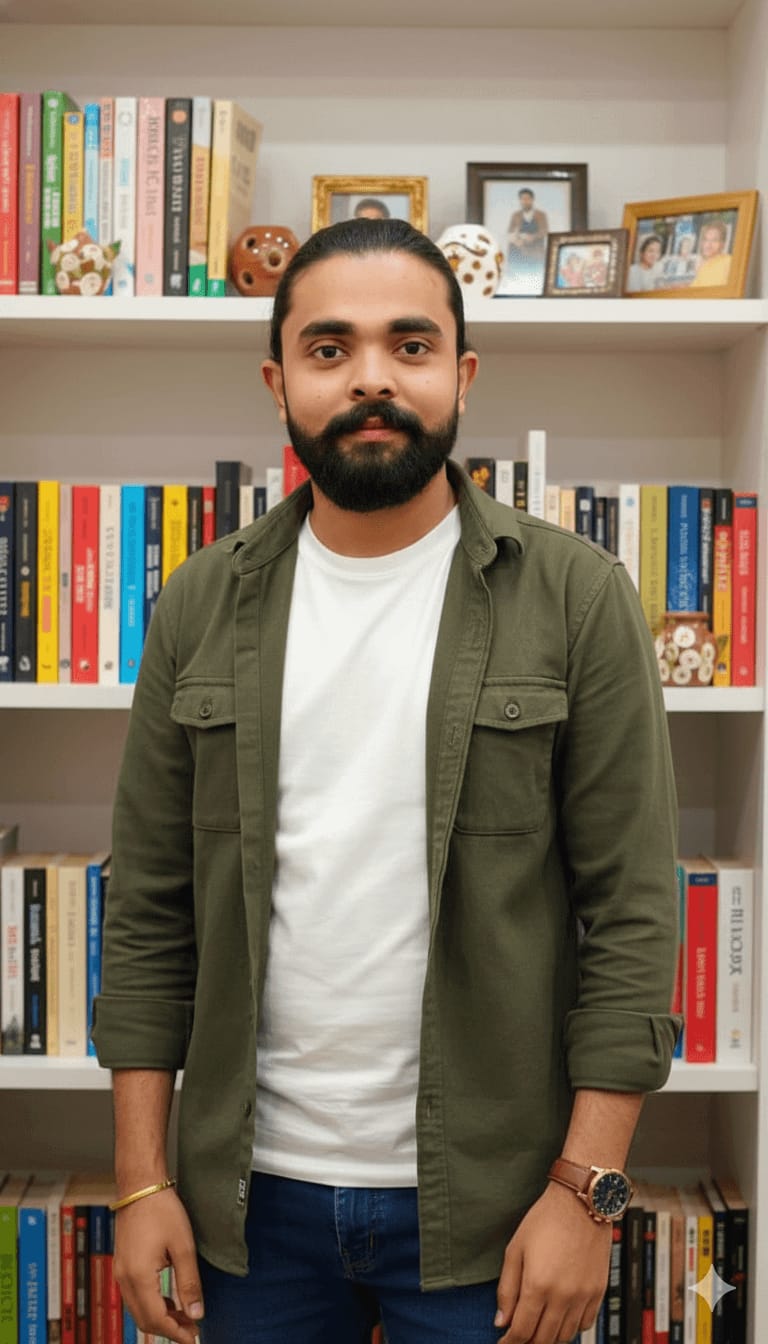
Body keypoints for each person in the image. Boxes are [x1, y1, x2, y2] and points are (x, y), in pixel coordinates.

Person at [92, 217, 681, 1344]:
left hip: (500, 1211)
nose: (371, 378)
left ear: (461, 374)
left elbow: (635, 914)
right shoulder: (199, 602)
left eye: (409, 346)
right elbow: (151, 911)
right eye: (330, 349)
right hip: (245, 1211)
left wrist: (586, 1193)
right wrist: (140, 1178)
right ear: (279, 383)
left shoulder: (577, 596)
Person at [506, 187, 549, 291]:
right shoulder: (516, 215)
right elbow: (510, 232)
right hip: (519, 250)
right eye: (522, 199)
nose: (525, 201)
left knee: (535, 279)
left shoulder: (540, 215)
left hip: (535, 252)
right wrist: (516, 239)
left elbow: (544, 231)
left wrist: (532, 237)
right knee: (517, 279)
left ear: (532, 200)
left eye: (527, 199)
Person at [689, 219, 732, 288]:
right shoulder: (703, 267)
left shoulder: (729, 261)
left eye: (714, 240)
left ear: (723, 244)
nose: (708, 245)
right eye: (706, 239)